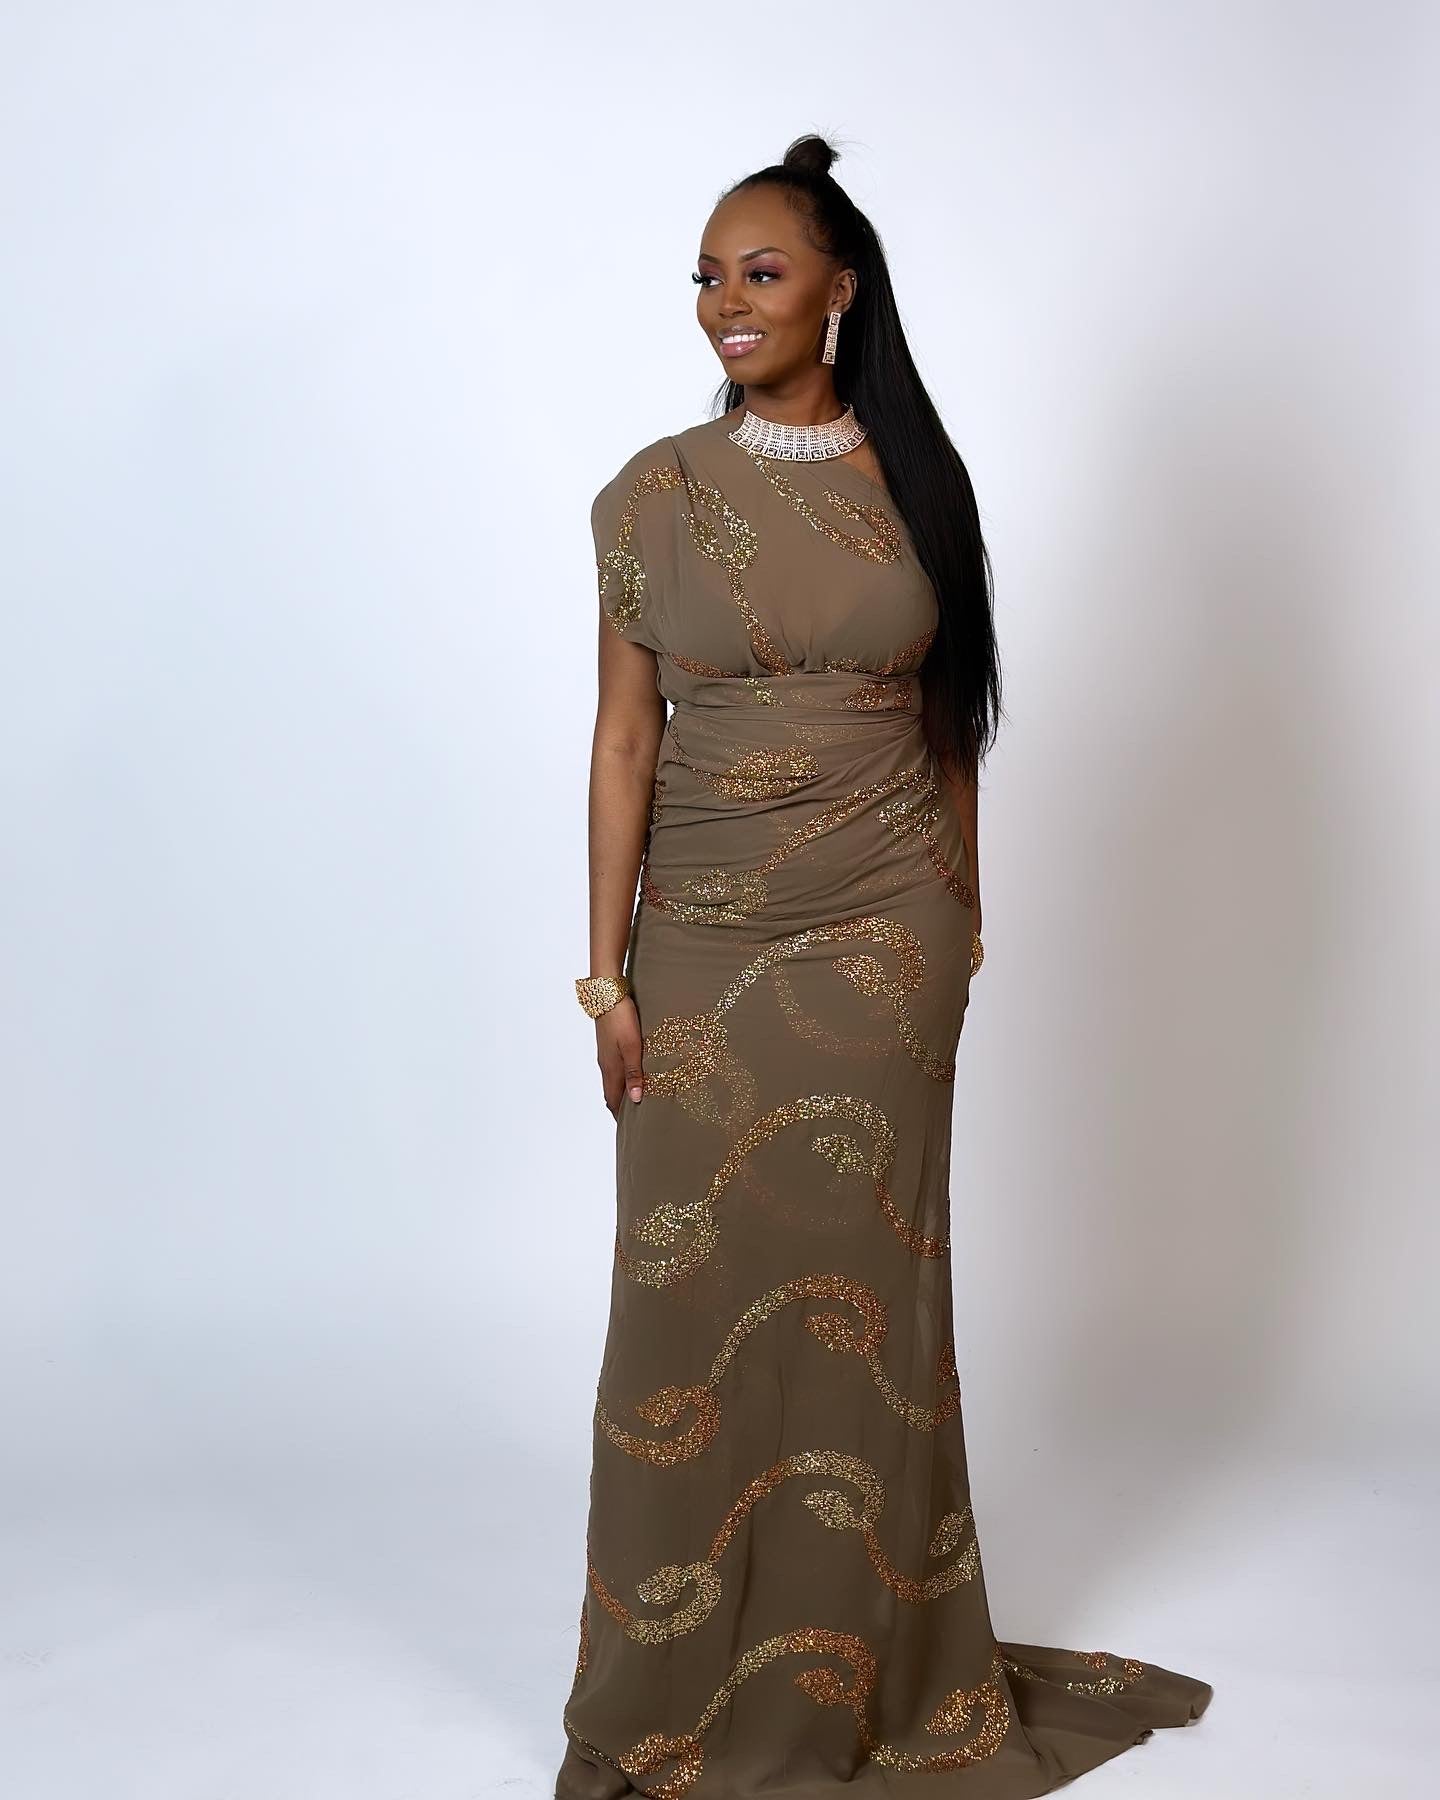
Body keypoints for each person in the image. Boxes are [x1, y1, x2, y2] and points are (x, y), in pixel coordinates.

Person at [556, 132, 1212, 1800]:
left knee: (869, 1313)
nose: (726, 302)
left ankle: (859, 1681)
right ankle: (672, 1691)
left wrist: (961, 924)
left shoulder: (922, 482)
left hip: (882, 933)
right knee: (685, 1300)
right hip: (703, 937)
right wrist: (607, 976)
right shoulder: (650, 496)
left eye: (761, 271)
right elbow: (624, 741)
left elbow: (952, 723)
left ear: (839, 292)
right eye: (707, 276)